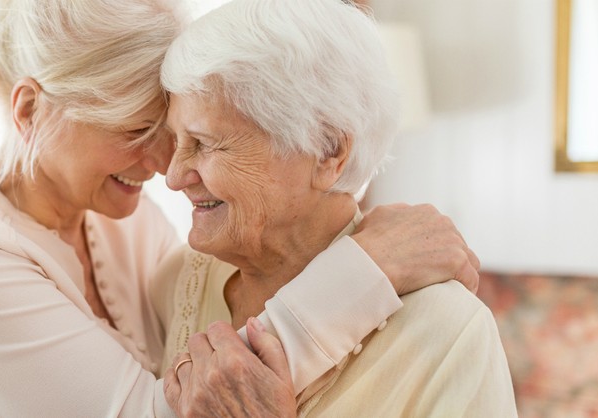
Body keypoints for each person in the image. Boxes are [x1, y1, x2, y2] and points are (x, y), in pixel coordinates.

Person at [0, 0, 481, 416]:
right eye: (136, 128)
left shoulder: (124, 223)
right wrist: (364, 269)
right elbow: (169, 408)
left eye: (182, 132)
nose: (165, 165)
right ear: (30, 111)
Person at [153, 0, 517, 416]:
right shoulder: (177, 282)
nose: (174, 176)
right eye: (176, 141)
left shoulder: (449, 330)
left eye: (205, 143)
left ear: (328, 151)